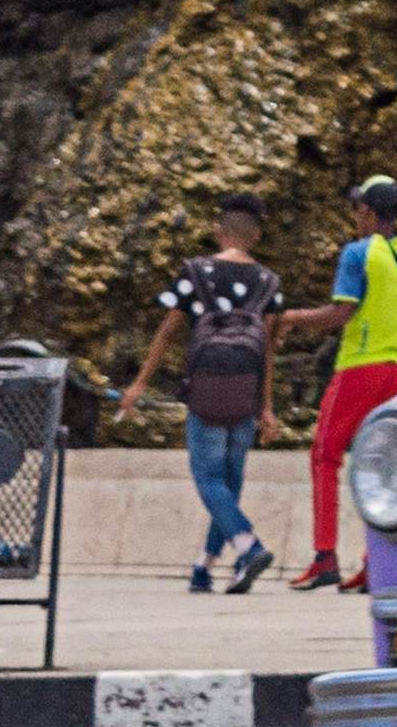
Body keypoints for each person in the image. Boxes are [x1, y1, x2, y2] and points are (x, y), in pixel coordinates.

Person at [276, 176, 397, 593]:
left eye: (357, 210)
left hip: (358, 367)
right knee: (383, 465)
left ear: (367, 212)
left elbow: (341, 313)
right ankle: (375, 563)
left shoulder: (358, 253)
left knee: (325, 456)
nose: (355, 218)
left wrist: (293, 318)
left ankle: (324, 558)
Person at [119, 192, 283, 593]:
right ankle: (204, 566)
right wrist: (267, 409)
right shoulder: (269, 283)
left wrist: (139, 383)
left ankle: (247, 544)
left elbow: (168, 331)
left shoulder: (195, 272)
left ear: (217, 232)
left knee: (207, 477)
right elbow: (268, 351)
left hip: (207, 385)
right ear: (256, 236)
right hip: (246, 388)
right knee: (229, 478)